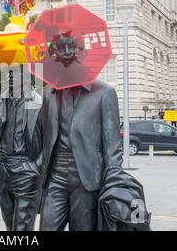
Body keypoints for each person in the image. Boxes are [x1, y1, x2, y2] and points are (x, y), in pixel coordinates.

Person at [38, 34, 124, 231]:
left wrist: (114, 183)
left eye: (73, 47)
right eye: (61, 48)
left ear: (83, 52)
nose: (68, 52)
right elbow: (44, 137)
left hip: (87, 180)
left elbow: (112, 147)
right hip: (55, 177)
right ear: (54, 54)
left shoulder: (104, 93)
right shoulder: (47, 93)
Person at [0, 67, 43, 231]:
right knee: (10, 225)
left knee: (22, 228)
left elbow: (49, 144)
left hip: (27, 171)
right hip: (2, 171)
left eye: (16, 72)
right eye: (8, 72)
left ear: (27, 75)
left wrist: (35, 168)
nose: (10, 76)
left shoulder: (40, 104)